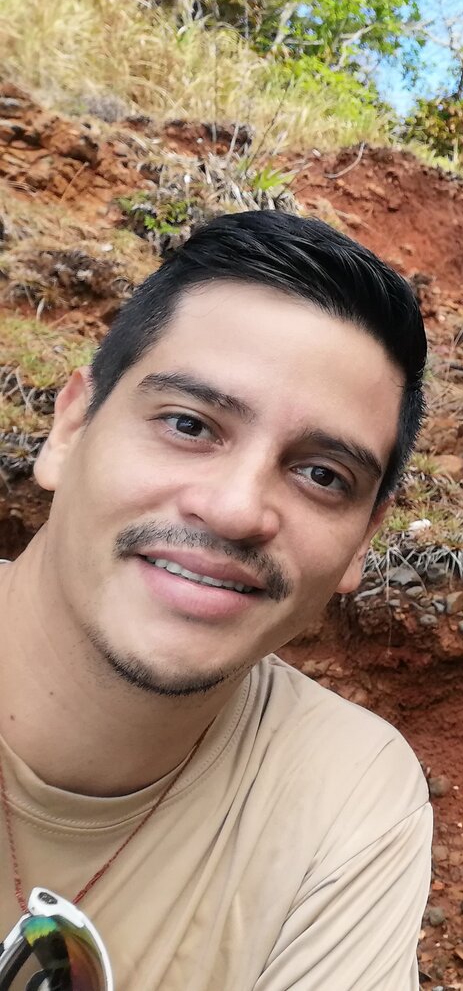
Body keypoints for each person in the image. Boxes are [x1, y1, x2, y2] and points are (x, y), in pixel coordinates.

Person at [0, 211, 431, 988]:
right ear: (69, 427)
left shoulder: (346, 793)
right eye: (190, 423)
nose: (237, 508)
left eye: (322, 474)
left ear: (362, 541)